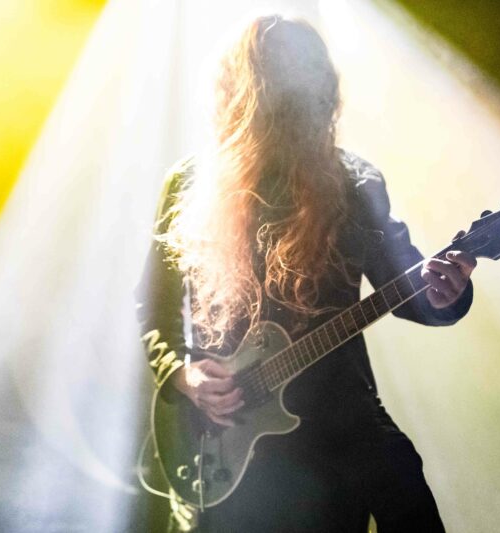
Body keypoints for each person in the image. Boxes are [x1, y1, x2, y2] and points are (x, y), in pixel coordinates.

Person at [136, 15, 476, 532]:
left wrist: (447, 292)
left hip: (336, 416)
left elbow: (407, 287)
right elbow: (154, 305)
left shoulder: (354, 181)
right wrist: (183, 374)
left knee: (405, 490)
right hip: (227, 425)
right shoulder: (189, 184)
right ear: (246, 91)